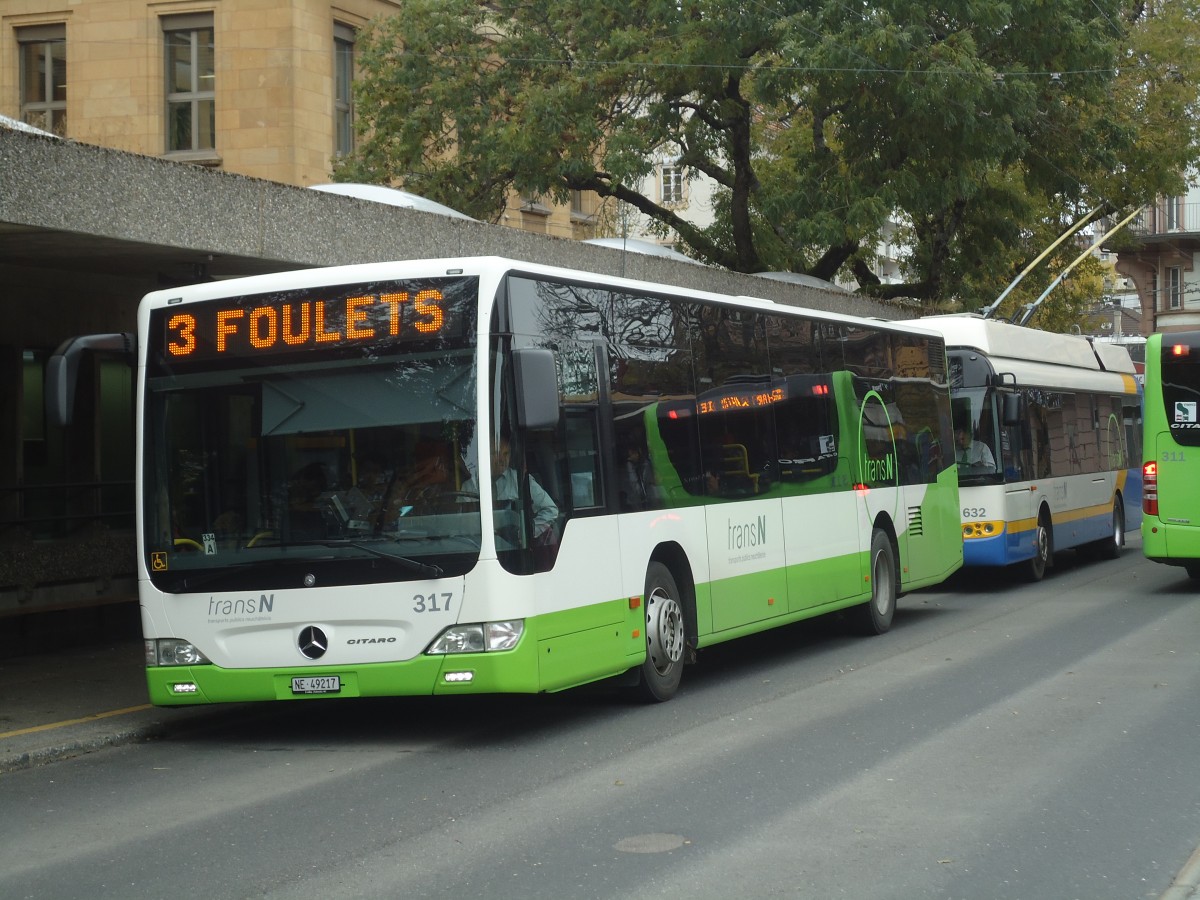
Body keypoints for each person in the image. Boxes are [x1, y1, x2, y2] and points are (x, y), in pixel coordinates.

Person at [467, 435, 558, 541]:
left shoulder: (521, 480)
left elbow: (550, 510)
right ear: (485, 455)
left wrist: (525, 534)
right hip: (479, 545)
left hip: (514, 549)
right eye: (496, 454)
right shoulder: (470, 486)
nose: (502, 459)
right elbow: (461, 524)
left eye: (506, 454)